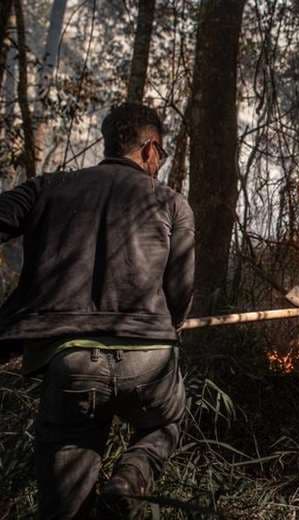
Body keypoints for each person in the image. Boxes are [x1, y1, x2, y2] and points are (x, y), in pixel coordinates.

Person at [0, 102, 195, 519]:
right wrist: (169, 324)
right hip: (150, 361)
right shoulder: (171, 203)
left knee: (65, 507)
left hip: (72, 365)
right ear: (148, 149)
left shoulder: (47, 188)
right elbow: (179, 292)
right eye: (161, 155)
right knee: (165, 422)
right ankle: (129, 480)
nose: (159, 164)